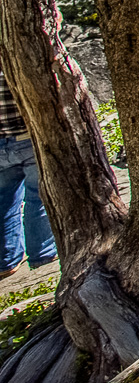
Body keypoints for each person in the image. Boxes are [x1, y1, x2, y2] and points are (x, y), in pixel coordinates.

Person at [0, 68, 57, 279]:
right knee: (38, 197)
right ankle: (42, 253)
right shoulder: (13, 66)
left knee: (4, 204)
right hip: (26, 139)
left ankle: (6, 261)